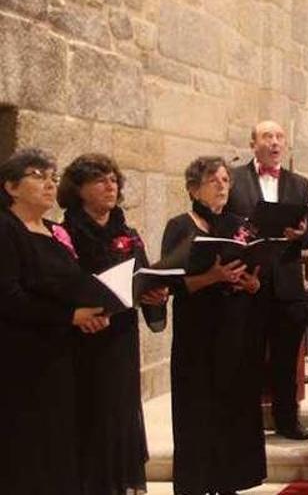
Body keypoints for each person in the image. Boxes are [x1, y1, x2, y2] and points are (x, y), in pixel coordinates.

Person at [59, 153, 169, 495]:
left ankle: (122, 484)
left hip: (121, 334)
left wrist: (155, 296)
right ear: (79, 190)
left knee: (122, 409)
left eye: (113, 180)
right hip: (86, 336)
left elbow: (145, 277)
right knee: (92, 409)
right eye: (100, 180)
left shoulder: (129, 233)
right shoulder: (65, 233)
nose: (111, 186)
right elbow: (63, 284)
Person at [0, 149, 108, 493]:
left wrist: (90, 314)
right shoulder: (6, 228)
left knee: (60, 444)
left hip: (62, 354)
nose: (49, 184)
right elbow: (8, 297)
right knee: (28, 449)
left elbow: (70, 285)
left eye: (52, 177)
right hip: (21, 358)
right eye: (38, 175)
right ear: (11, 187)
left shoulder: (55, 231)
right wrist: (69, 316)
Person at [162, 156, 267, 494]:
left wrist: (251, 284)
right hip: (197, 331)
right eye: (213, 180)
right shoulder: (180, 225)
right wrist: (213, 276)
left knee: (233, 404)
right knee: (197, 407)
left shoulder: (241, 225)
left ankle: (230, 481)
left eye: (225, 180)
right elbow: (174, 283)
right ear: (193, 188)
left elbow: (257, 279)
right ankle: (196, 483)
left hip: (236, 329)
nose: (222, 185)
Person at [225, 120, 308, 441]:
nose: (275, 143)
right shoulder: (234, 180)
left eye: (280, 137)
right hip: (247, 281)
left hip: (287, 284)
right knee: (245, 356)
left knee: (285, 358)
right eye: (268, 137)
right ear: (253, 143)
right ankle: (243, 421)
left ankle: (287, 420)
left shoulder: (299, 183)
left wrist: (302, 234)